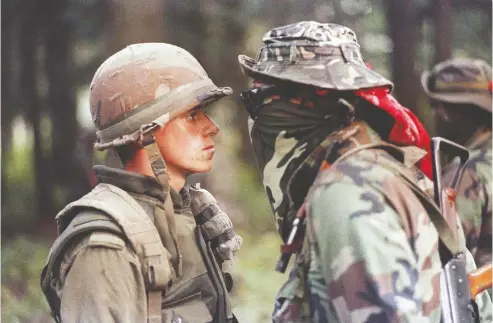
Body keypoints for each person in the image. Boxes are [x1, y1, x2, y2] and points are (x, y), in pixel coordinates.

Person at [237, 21, 491, 322]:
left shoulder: (347, 191)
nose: (258, 114)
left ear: (308, 99)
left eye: (262, 98)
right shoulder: (396, 173)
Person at [41, 43, 242, 323]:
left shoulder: (185, 211)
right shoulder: (105, 244)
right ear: (145, 131)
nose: (211, 126)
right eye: (192, 115)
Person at [422, 58, 492, 268]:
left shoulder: (466, 172)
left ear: (452, 113)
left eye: (436, 106)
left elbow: (448, 258)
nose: (434, 115)